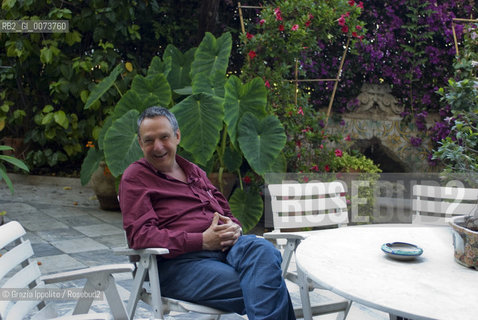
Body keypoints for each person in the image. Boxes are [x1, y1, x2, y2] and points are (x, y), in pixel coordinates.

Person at [119, 106, 296, 319]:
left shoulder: (194, 172)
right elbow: (141, 236)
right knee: (265, 283)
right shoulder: (136, 177)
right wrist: (201, 240)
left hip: (229, 250)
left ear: (177, 136)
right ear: (140, 143)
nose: (157, 147)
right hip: (179, 263)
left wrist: (235, 228)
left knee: (264, 251)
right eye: (149, 140)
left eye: (164, 137)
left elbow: (228, 213)